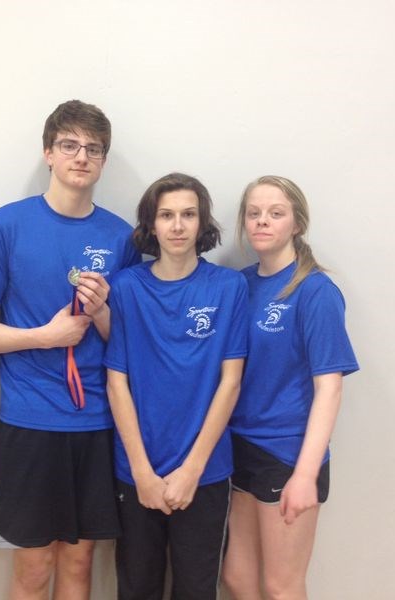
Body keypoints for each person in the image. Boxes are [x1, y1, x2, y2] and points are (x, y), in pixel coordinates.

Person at [0, 99, 140, 599]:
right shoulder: (6, 226)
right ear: (49, 153)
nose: (81, 156)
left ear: (103, 160)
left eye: (93, 149)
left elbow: (130, 346)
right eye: (69, 145)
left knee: (79, 563)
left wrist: (103, 315)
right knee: (34, 568)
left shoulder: (122, 238)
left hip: (98, 422)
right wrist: (43, 336)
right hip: (30, 421)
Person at [105, 172, 249, 599]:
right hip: (137, 472)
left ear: (203, 223)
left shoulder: (228, 287)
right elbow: (117, 383)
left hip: (204, 473)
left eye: (188, 214)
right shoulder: (127, 287)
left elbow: (230, 382)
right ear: (151, 225)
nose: (178, 225)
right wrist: (142, 473)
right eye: (166, 215)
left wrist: (191, 470)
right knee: (137, 589)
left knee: (196, 589)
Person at [222, 176, 359, 600]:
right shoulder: (239, 284)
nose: (263, 222)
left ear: (296, 223)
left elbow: (330, 390)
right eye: (254, 213)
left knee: (281, 587)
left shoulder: (315, 292)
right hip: (239, 446)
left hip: (286, 454)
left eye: (276, 214)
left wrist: (304, 474)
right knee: (237, 579)